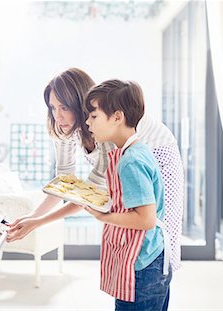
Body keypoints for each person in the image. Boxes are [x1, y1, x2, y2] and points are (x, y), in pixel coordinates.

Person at [7, 68, 183, 275]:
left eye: (64, 107)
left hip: (161, 157)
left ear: (80, 104)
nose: (58, 116)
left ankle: (154, 281)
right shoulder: (67, 128)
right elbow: (65, 181)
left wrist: (38, 222)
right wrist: (32, 216)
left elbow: (88, 195)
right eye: (53, 108)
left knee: (158, 231)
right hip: (129, 164)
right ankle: (138, 279)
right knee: (134, 232)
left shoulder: (106, 127)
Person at [84, 79, 171, 310]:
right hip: (153, 259)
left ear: (117, 117)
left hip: (143, 267)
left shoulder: (130, 161)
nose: (87, 122)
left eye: (93, 116)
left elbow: (145, 219)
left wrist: (103, 216)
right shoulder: (135, 151)